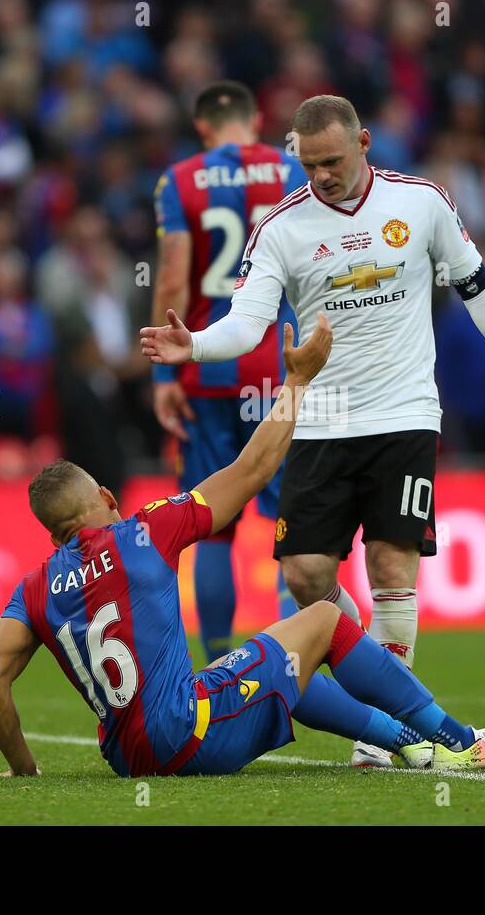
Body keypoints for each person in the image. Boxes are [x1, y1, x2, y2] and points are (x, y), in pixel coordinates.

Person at [140, 94, 485, 767]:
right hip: (322, 419)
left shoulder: (421, 203)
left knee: (392, 564)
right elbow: (250, 322)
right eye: (309, 164)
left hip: (405, 412)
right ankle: (389, 696)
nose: (321, 175)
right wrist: (198, 347)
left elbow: (479, 287)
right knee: (306, 576)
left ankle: (387, 729)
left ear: (363, 142)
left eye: (332, 161)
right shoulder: (280, 227)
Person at [0, 315, 485, 777]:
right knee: (322, 620)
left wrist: (24, 770)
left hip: (128, 757)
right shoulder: (142, 532)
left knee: (276, 658)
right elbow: (253, 469)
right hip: (187, 736)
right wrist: (296, 383)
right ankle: (457, 742)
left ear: (53, 534)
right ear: (104, 495)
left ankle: (405, 742)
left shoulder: (34, 587)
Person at [151, 80, 305, 661]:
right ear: (258, 118)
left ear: (202, 126)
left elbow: (171, 279)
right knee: (293, 515)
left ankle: (217, 659)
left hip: (207, 367)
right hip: (279, 366)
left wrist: (163, 377)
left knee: (212, 521)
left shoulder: (181, 179)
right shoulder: (294, 171)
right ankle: (295, 656)